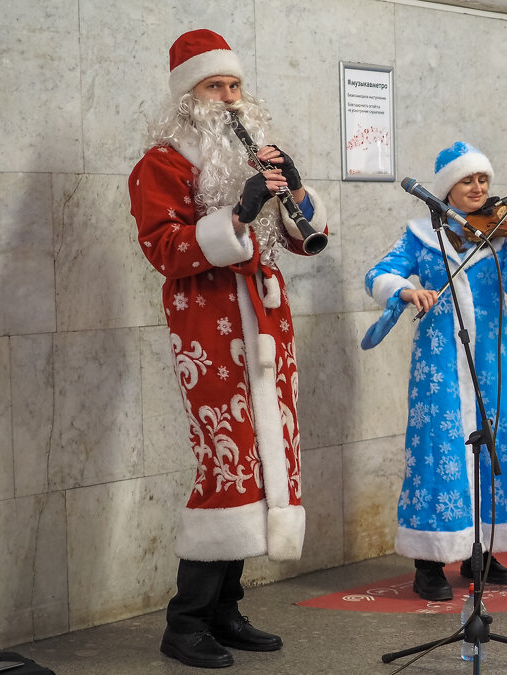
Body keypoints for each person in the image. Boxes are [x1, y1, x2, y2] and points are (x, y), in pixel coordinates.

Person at [128, 28, 328, 669]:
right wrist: (234, 219)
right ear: (190, 95)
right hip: (209, 329)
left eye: (235, 85)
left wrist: (294, 194)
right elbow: (164, 249)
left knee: (266, 461)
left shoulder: (251, 157)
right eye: (216, 86)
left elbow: (305, 241)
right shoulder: (160, 164)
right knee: (227, 462)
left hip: (268, 325)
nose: (230, 97)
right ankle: (184, 623)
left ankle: (225, 609)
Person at [362, 142, 507, 601]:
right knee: (440, 453)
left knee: (494, 449)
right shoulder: (420, 235)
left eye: (484, 181)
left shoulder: (502, 238)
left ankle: (484, 551)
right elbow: (379, 271)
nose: (478, 189)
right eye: (468, 181)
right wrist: (404, 291)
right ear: (446, 189)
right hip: (438, 363)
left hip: (493, 363)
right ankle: (430, 561)